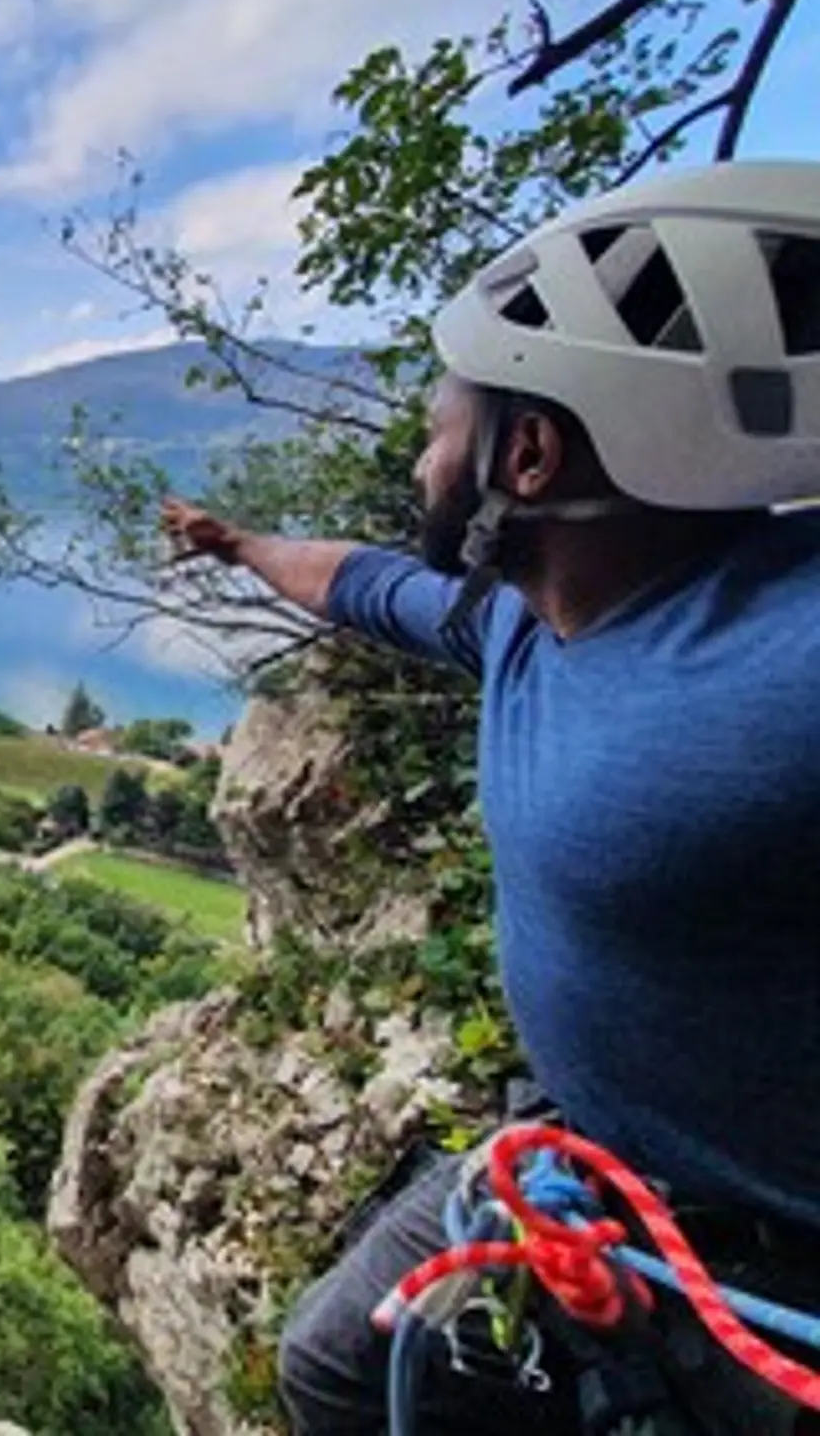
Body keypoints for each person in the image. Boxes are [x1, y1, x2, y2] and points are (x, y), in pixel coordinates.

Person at [160, 160, 820, 1435]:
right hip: (586, 1168)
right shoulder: (523, 625)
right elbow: (353, 578)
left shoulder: (782, 650)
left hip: (773, 1286)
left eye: (434, 427)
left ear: (523, 454)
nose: (417, 459)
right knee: (337, 1366)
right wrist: (239, 546)